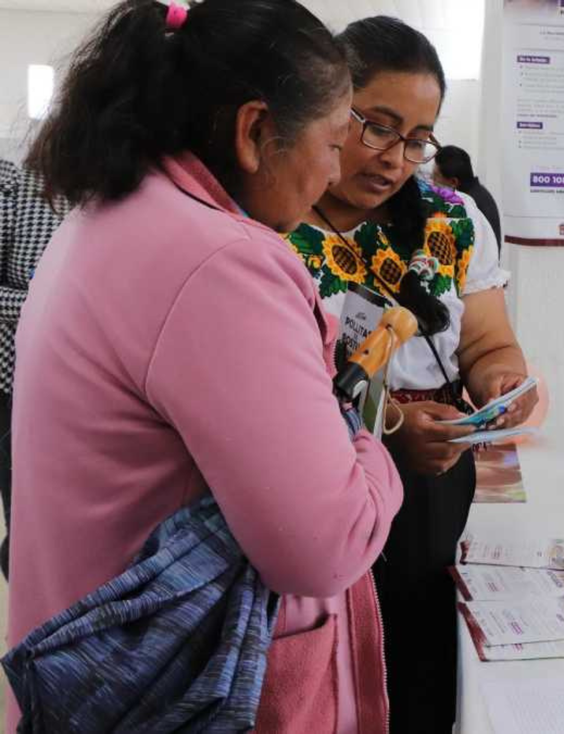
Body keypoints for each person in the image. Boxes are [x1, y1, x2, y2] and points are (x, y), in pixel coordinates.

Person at [9, 1, 403, 731]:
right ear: (256, 131)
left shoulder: (111, 212)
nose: (335, 166)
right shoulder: (223, 264)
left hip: (95, 671)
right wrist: (377, 454)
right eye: (332, 135)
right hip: (177, 687)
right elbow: (325, 547)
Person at [285, 17, 534, 730]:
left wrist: (499, 384)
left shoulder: (451, 222)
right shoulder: (276, 220)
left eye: (418, 138)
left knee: (421, 642)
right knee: (324, 645)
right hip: (317, 464)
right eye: (377, 127)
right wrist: (388, 425)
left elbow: (489, 343)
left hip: (437, 462)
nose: (396, 157)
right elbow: (271, 384)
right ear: (328, 108)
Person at [0, 160, 65, 580]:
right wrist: (41, 305)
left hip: (74, 390)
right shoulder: (17, 190)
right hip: (12, 384)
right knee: (27, 528)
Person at [433, 144, 502, 250]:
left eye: (436, 176)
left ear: (453, 182)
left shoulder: (468, 205)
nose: (432, 181)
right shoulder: (479, 193)